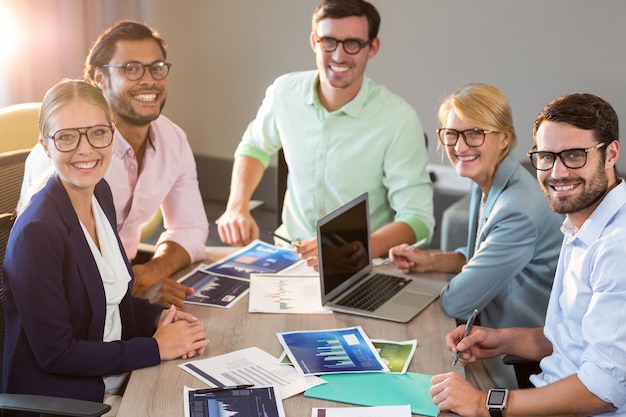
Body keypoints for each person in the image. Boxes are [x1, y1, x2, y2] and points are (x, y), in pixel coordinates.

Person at [2, 79, 209, 417]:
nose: (85, 149)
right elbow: (57, 354)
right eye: (67, 136)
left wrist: (158, 317)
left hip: (118, 376)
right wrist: (155, 348)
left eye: (97, 132)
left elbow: (111, 300)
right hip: (71, 401)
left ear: (113, 135)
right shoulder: (37, 233)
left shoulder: (100, 195)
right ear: (44, 146)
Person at [430, 93, 626, 416]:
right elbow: (571, 339)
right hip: (543, 390)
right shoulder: (581, 223)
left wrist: (483, 403)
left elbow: (603, 389)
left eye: (575, 155)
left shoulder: (616, 249)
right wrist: (504, 339)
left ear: (610, 154)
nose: (558, 173)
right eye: (547, 157)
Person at [217, 0, 435, 269]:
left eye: (353, 44)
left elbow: (419, 221)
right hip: (288, 256)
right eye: (328, 42)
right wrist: (237, 206)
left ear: (372, 47)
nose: (339, 56)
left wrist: (356, 247)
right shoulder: (284, 92)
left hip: (360, 262)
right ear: (314, 42)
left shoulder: (398, 119)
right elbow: (254, 147)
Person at [18, 21, 209, 309]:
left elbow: (191, 228)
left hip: (126, 284)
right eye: (131, 68)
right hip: (71, 306)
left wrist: (153, 271)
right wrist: (130, 294)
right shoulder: (70, 157)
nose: (149, 80)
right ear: (99, 79)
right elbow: (57, 270)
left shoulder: (173, 140)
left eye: (157, 67)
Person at [389, 83, 563, 388]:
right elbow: (484, 253)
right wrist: (431, 261)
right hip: (488, 340)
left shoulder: (517, 208)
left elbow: (457, 302)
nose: (460, 146)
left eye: (474, 133)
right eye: (452, 134)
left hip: (519, 365)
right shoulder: (489, 178)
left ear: (504, 138)